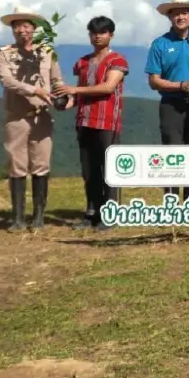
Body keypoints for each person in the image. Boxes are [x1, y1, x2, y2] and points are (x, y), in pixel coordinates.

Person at [55, 16, 129, 230]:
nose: (97, 36)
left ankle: (111, 214)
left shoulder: (118, 61)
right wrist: (68, 102)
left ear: (111, 35)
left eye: (102, 32)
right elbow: (79, 92)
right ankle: (92, 211)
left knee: (110, 170)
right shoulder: (83, 62)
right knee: (89, 170)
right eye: (93, 32)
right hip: (85, 119)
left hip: (107, 120)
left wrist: (74, 90)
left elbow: (107, 87)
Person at [0, 6, 64, 232]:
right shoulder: (4, 53)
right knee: (17, 166)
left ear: (34, 29)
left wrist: (65, 97)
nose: (21, 30)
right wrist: (35, 90)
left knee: (41, 165)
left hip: (41, 116)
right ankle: (17, 218)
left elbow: (57, 81)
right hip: (16, 117)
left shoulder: (46, 52)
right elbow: (7, 81)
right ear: (12, 30)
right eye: (17, 26)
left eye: (26, 25)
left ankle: (39, 216)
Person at [146, 0, 189, 204]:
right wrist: (180, 86)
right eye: (175, 13)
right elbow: (154, 81)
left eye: (184, 12)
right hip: (171, 104)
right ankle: (172, 202)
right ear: (169, 17)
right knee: (172, 153)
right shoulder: (160, 44)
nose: (180, 17)